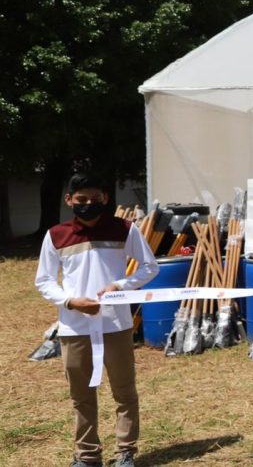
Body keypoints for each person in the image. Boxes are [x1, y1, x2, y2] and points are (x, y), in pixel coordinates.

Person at [35, 172, 160, 467]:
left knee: (124, 391)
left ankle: (125, 452)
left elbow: (149, 267)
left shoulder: (125, 229)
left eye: (95, 198)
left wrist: (120, 286)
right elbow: (44, 281)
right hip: (74, 327)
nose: (88, 204)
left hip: (115, 324)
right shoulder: (56, 235)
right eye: (81, 200)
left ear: (105, 198)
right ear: (69, 200)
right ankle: (87, 456)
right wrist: (70, 301)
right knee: (81, 395)